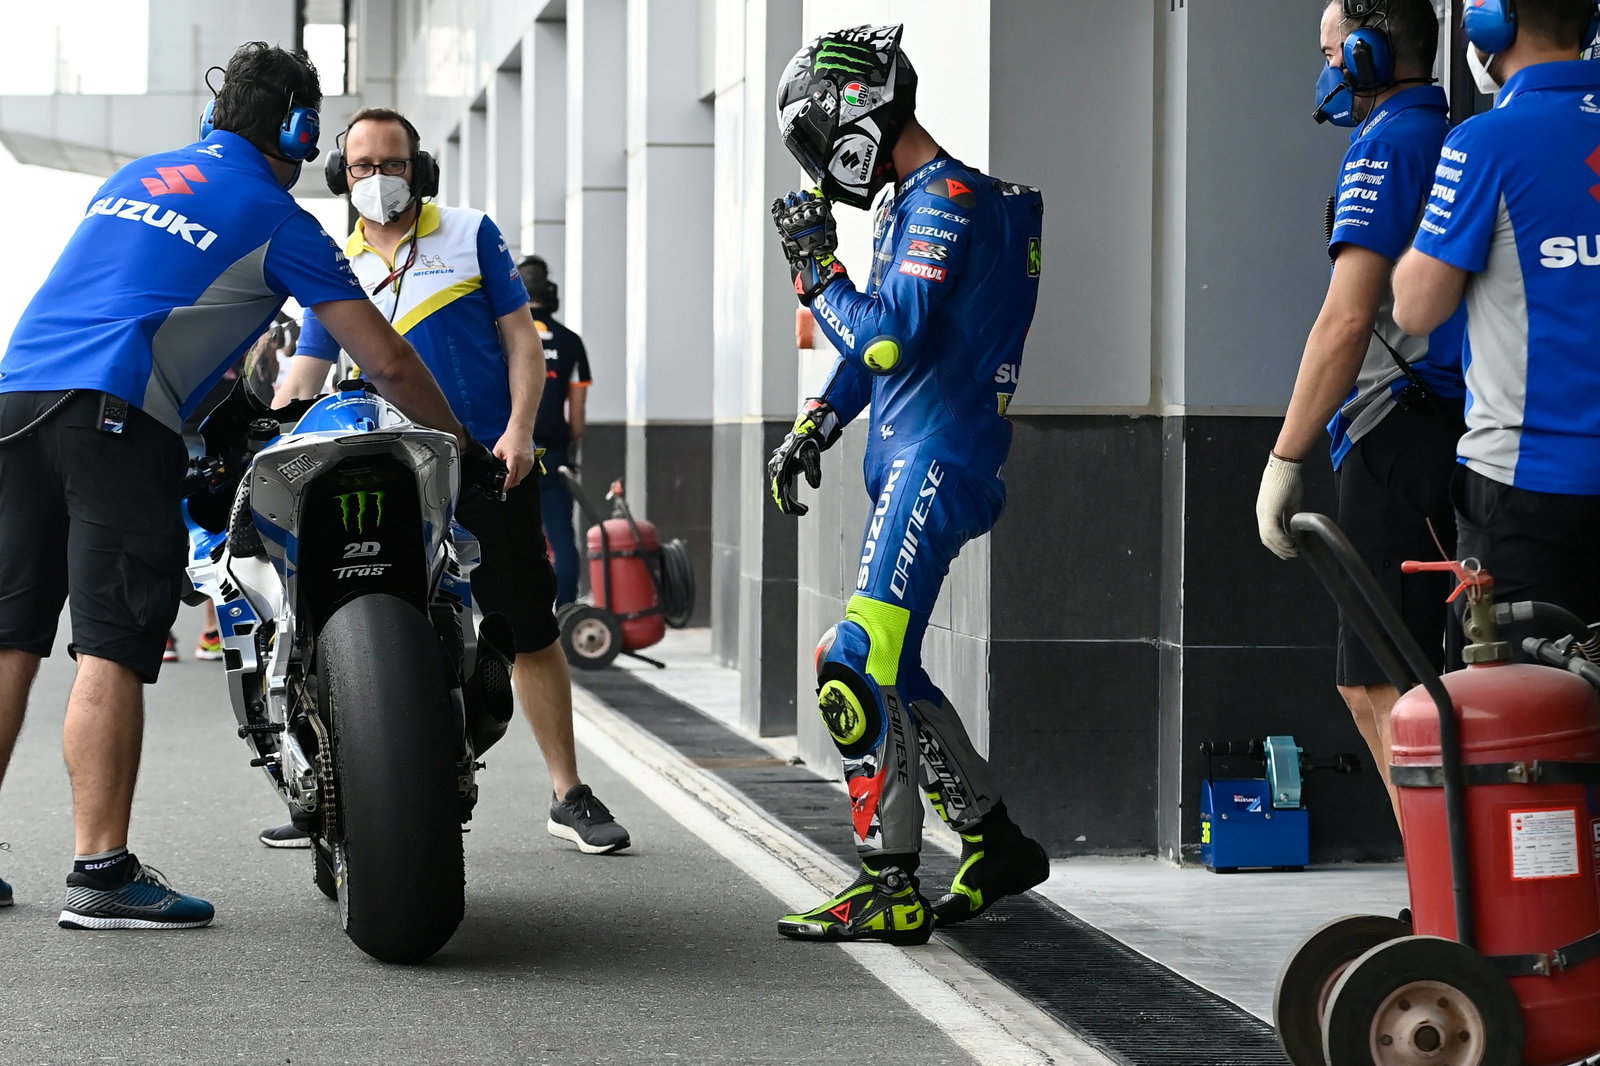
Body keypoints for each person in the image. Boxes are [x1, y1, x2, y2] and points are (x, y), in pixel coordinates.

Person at [0, 43, 480, 928]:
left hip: (15, 398)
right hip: (117, 409)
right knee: (108, 643)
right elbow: (387, 358)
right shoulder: (274, 213)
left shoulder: (141, 173)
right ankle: (99, 874)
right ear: (300, 130)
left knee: (9, 636)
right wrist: (460, 446)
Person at [267, 108, 631, 855]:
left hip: (486, 464)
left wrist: (520, 431)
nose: (377, 179)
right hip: (386, 473)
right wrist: (264, 435)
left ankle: (568, 792)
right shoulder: (336, 264)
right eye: (361, 166)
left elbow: (521, 342)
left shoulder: (470, 233)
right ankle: (338, 785)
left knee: (526, 626)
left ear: (418, 169)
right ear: (341, 176)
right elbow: (304, 374)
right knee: (346, 625)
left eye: (391, 164)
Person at [766, 24, 1048, 943]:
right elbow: (878, 354)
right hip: (911, 456)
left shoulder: (948, 200)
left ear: (856, 109)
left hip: (937, 461)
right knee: (887, 664)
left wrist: (815, 270)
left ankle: (889, 885)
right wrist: (820, 416)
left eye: (814, 133)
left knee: (850, 661)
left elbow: (888, 336)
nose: (815, 160)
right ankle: (994, 840)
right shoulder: (912, 202)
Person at [1253, 0, 1463, 823]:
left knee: (1387, 684)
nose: (1328, 66)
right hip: (1420, 428)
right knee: (1378, 681)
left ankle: (1448, 897)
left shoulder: (1390, 142)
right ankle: (1444, 885)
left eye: (1333, 49)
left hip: (1400, 430)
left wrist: (1283, 457)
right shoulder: (1445, 130)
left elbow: (1346, 320)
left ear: (1371, 52)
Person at [1393, 0, 1600, 651]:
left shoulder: (1485, 143)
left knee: (1512, 735)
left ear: (1488, 26)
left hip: (1524, 491)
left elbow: (1415, 309)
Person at [518, 255, 591, 608]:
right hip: (555, 453)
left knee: (511, 533)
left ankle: (517, 612)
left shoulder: (504, 338)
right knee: (561, 534)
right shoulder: (571, 342)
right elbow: (576, 417)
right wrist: (571, 450)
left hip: (510, 451)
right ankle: (564, 611)